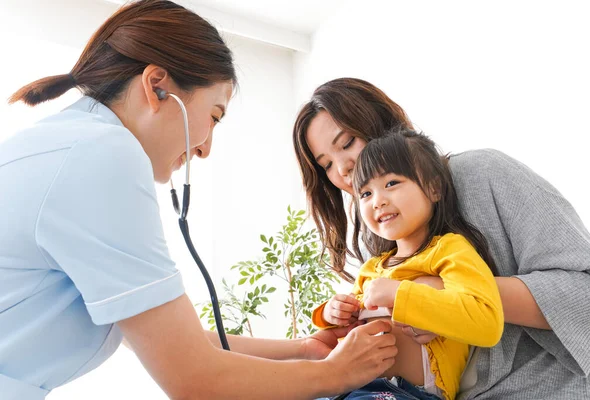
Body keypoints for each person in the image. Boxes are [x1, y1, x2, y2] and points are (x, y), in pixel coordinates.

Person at [0, 3, 399, 399]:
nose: (205, 148)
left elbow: (180, 342)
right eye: (214, 115)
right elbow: (194, 379)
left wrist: (305, 350)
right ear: (157, 87)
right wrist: (337, 374)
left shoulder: (73, 142)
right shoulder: (101, 156)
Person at [293, 77, 590, 398]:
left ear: (382, 126)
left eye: (347, 143)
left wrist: (437, 295)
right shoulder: (383, 235)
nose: (342, 169)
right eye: (326, 164)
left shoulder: (482, 174)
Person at [312, 130, 503, 400]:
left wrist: (401, 294)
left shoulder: (449, 250)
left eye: (391, 183)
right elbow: (339, 336)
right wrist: (332, 313)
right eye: (365, 193)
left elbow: (487, 322)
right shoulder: (373, 268)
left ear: (434, 188)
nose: (378, 200)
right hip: (349, 386)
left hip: (407, 394)